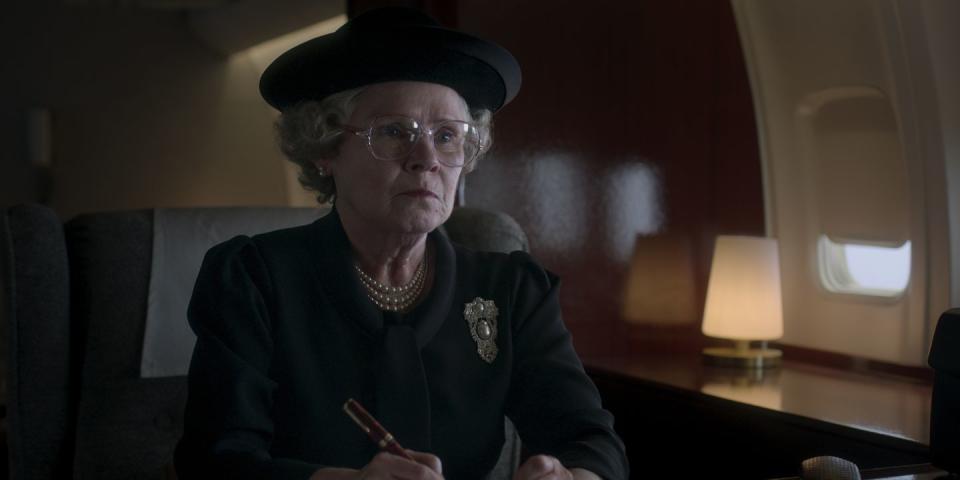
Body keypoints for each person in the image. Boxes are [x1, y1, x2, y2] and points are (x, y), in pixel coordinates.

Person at [175, 7, 628, 480]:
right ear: (327, 149)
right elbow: (214, 460)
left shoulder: (512, 289)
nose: (426, 159)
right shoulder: (252, 277)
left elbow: (589, 439)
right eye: (393, 132)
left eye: (447, 136)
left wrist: (575, 475)